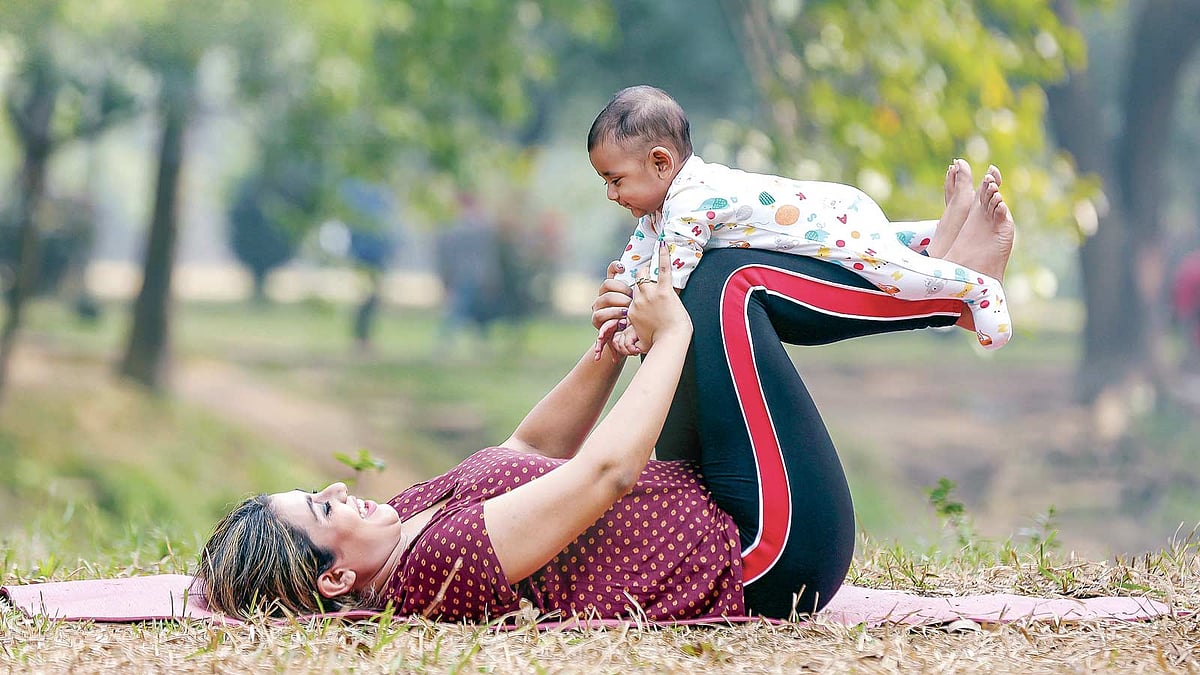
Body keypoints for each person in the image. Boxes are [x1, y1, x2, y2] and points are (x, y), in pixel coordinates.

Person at [196, 179, 1015, 622]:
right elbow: (604, 473)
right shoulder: (433, 573)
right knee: (727, 291)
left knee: (696, 261)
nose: (338, 487)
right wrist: (669, 342)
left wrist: (610, 348)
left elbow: (522, 453)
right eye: (320, 507)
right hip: (767, 551)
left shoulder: (403, 519)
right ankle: (949, 298)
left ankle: (916, 257)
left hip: (711, 491)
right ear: (336, 581)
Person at [589, 85, 1013, 357]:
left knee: (894, 278)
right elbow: (636, 260)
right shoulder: (662, 210)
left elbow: (669, 281)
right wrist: (621, 299)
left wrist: (640, 329)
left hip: (829, 225)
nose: (611, 194)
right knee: (890, 249)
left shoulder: (689, 203)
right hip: (831, 210)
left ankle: (979, 289)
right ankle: (942, 233)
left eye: (615, 180)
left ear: (661, 162)